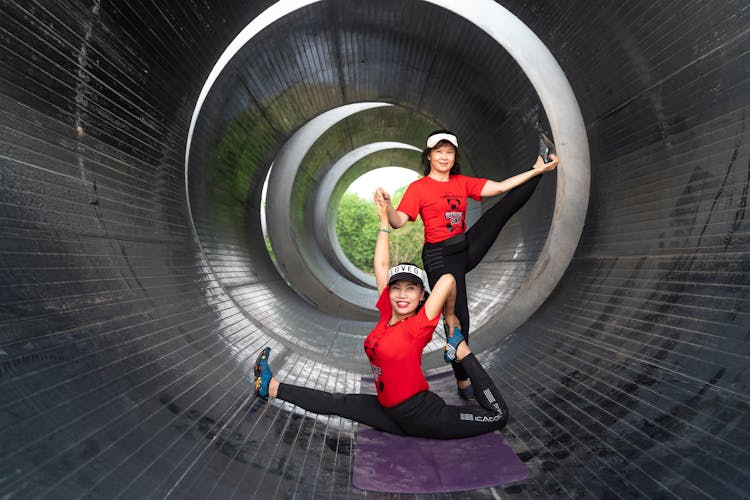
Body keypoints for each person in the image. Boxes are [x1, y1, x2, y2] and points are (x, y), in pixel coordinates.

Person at [250, 194, 508, 439]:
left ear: (421, 296)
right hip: (390, 410)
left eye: (411, 289)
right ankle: (271, 387)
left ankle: (463, 353)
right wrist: (384, 221)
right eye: (396, 288)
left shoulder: (421, 323)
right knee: (337, 403)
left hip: (422, 415)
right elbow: (382, 266)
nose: (402, 295)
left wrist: (450, 321)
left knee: (497, 416)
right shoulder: (387, 312)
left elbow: (449, 279)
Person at [376, 129, 558, 400]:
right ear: (429, 156)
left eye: (449, 152)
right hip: (440, 258)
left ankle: (540, 164)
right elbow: (398, 221)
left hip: (464, 248)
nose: (444, 157)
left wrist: (535, 172)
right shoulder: (419, 188)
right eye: (439, 151)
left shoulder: (462, 182)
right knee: (460, 320)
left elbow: (499, 187)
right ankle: (462, 381)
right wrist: (388, 207)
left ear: (454, 156)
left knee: (502, 208)